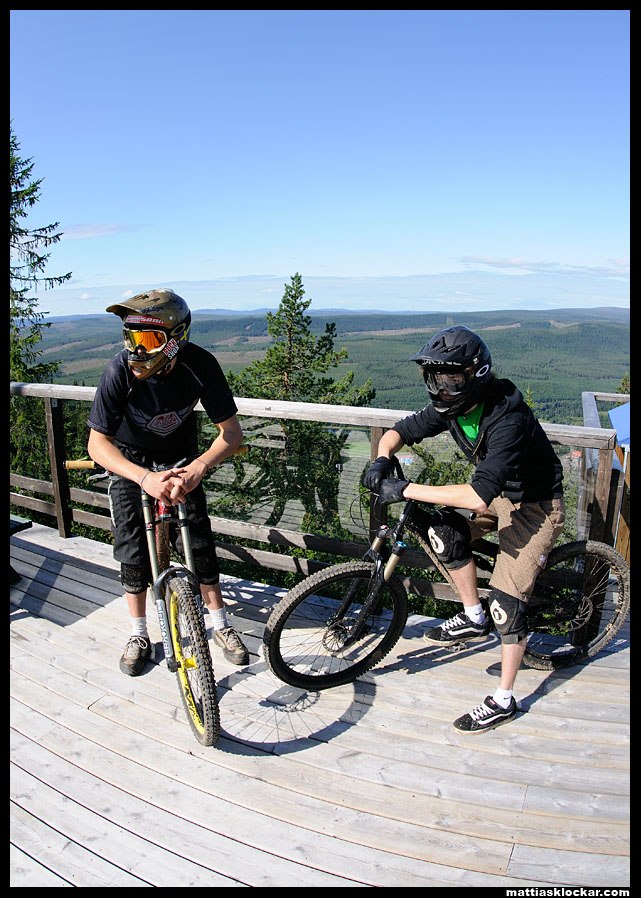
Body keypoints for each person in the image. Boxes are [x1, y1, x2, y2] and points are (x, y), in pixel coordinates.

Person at [363, 325, 565, 733]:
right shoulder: (450, 409)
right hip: (498, 496)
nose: (442, 387)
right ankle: (474, 615)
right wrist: (381, 460)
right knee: (444, 534)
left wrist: (404, 487)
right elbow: (398, 431)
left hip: (536, 506)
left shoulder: (508, 416)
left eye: (452, 378)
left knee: (507, 606)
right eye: (436, 378)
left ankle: (505, 698)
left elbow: (476, 496)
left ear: (477, 375)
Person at [87, 288, 250, 677]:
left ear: (176, 339)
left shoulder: (200, 365)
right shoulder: (118, 372)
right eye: (131, 337)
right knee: (131, 546)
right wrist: (143, 477)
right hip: (132, 462)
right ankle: (139, 633)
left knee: (197, 538)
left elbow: (231, 434)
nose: (137, 350)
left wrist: (199, 468)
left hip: (180, 461)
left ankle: (220, 625)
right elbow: (97, 443)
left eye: (148, 339)